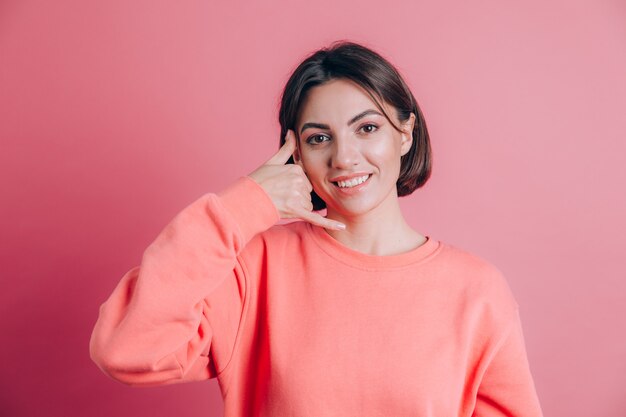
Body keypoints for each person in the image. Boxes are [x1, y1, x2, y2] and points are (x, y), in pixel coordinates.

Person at [89, 40, 544, 416]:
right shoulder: (256, 267)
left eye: (366, 128)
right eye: (319, 138)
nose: (344, 157)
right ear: (295, 154)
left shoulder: (477, 291)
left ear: (405, 133)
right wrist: (243, 204)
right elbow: (126, 348)